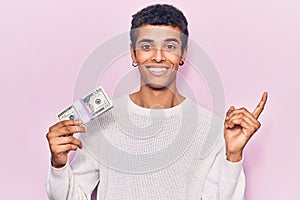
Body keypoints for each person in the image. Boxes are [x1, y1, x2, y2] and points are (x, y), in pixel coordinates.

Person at [46, 4, 267, 200]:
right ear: (133, 54)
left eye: (170, 46)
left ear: (183, 54)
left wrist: (233, 156)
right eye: (147, 46)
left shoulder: (212, 128)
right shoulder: (101, 122)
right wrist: (58, 164)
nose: (158, 57)